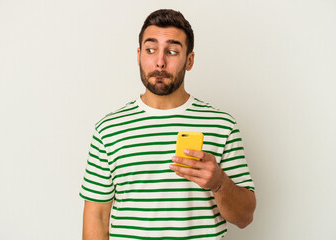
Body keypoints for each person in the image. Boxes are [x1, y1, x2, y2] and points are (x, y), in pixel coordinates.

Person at [80, 9, 256, 240]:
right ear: (138, 55)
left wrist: (219, 183)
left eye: (172, 51)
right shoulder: (108, 129)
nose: (160, 62)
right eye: (150, 50)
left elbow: (245, 218)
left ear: (189, 60)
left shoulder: (222, 125)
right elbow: (97, 216)